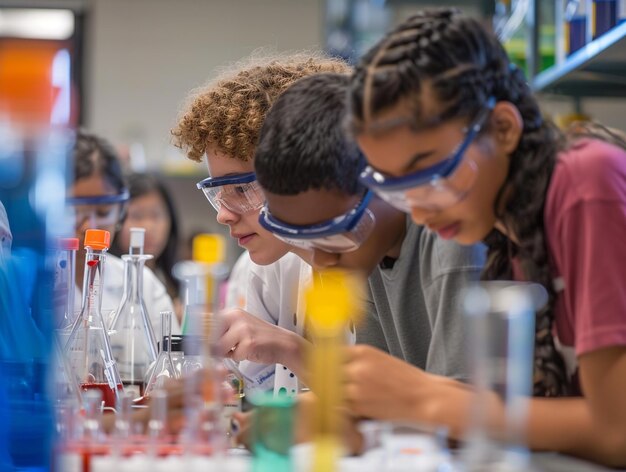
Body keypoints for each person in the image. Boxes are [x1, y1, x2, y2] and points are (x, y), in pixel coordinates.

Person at [347, 8, 626, 465]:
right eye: (396, 188)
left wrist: (425, 399)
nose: (417, 209)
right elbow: (542, 418)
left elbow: (617, 432)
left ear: (503, 128)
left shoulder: (584, 183)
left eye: (432, 174)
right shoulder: (510, 234)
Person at [253, 72, 485, 386]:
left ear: (387, 181)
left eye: (331, 235)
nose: (320, 261)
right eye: (302, 239)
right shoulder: (360, 255)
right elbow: (378, 400)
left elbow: (467, 419)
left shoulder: (452, 240)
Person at [172, 52, 351, 396]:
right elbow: (249, 395)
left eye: (241, 188)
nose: (223, 215)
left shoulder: (380, 266)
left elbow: (395, 409)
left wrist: (291, 349)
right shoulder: (264, 269)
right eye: (217, 193)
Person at [67, 131, 180, 334]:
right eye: (75, 212)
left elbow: (174, 362)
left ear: (121, 212)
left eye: (103, 212)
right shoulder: (21, 283)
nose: (89, 227)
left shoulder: (143, 287)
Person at [110, 172, 182, 322]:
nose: (148, 227)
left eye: (156, 215)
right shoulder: (106, 282)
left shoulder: (177, 282)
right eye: (136, 216)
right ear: (116, 221)